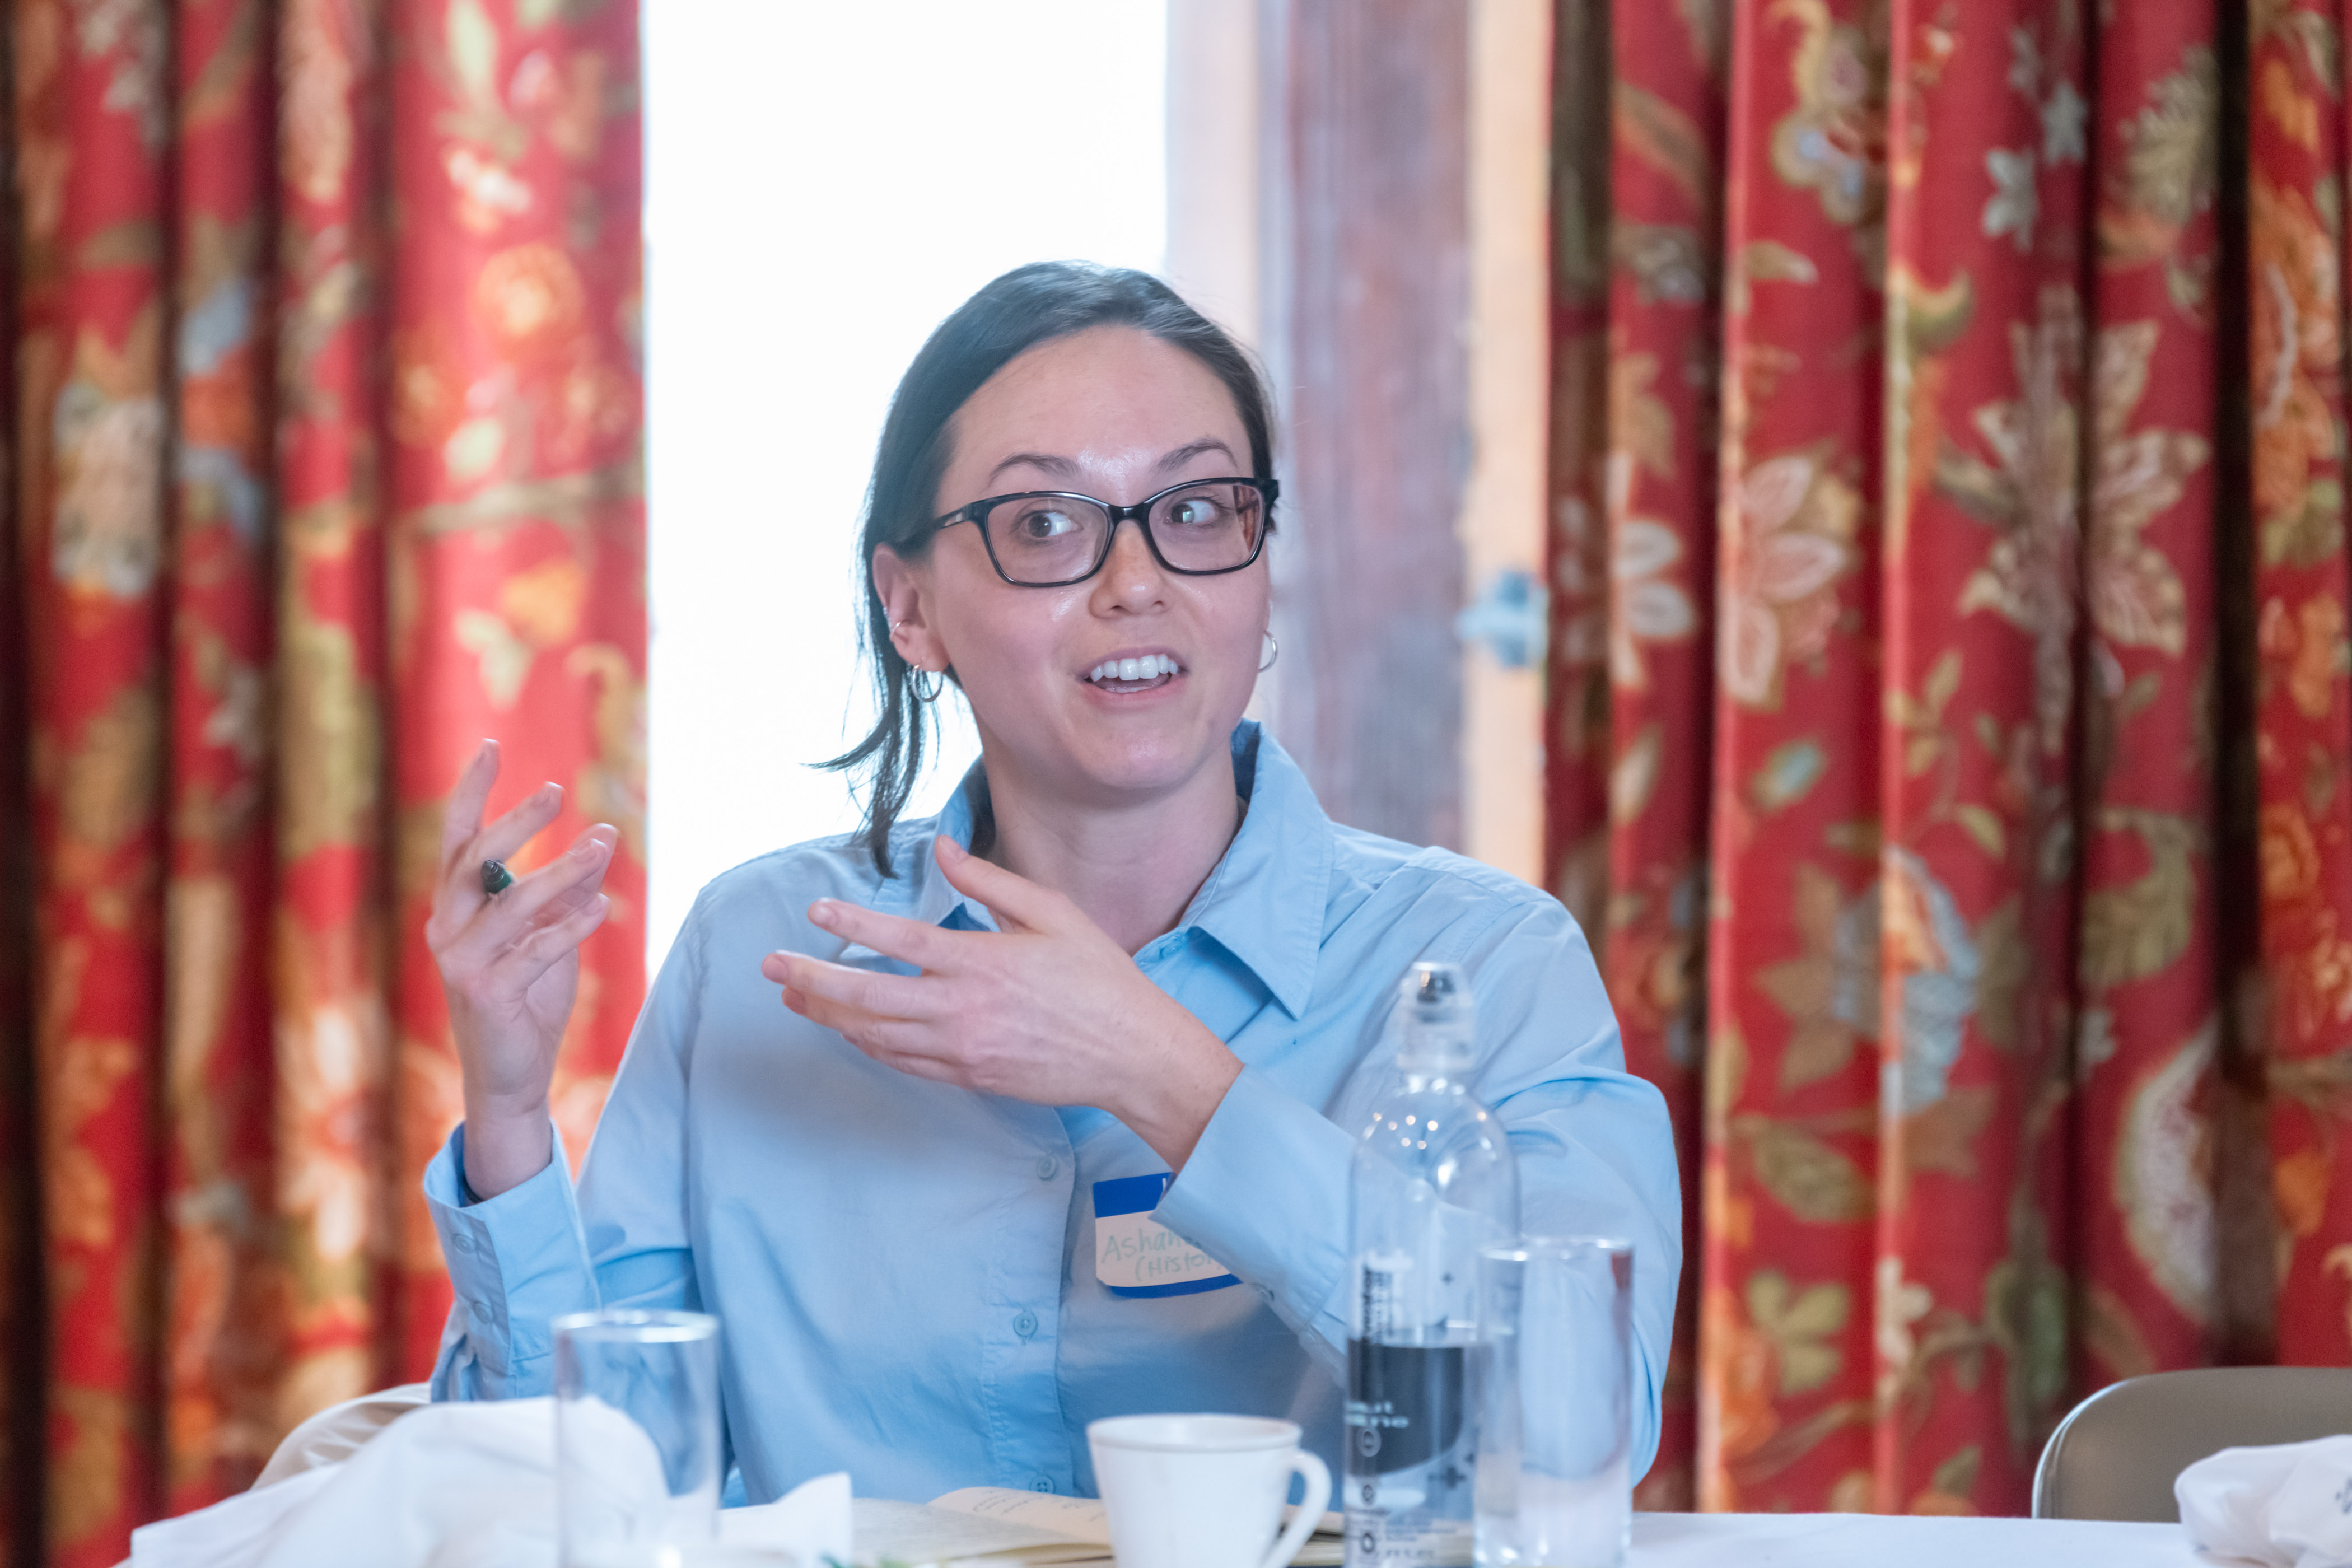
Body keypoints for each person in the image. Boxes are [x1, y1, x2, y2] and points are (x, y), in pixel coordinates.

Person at [422, 262, 1679, 1505]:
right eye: (1045, 525)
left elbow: (1575, 1435)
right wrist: (514, 1117)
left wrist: (1162, 1070)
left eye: (1196, 512)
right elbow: (589, 1495)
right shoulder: (759, 951)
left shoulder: (1481, 963)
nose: (1138, 583)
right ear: (910, 608)